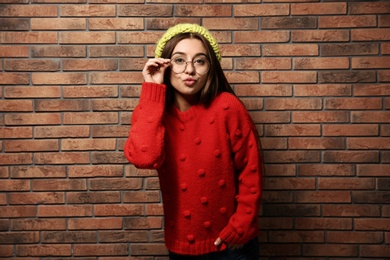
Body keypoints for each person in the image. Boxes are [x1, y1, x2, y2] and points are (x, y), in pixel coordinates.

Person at [124, 23, 263, 259]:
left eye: (200, 61)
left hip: (231, 246)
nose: (189, 69)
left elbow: (250, 171)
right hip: (180, 247)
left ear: (211, 68)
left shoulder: (227, 107)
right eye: (179, 60)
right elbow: (145, 158)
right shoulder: (153, 110)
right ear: (165, 65)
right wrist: (152, 88)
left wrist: (240, 228)